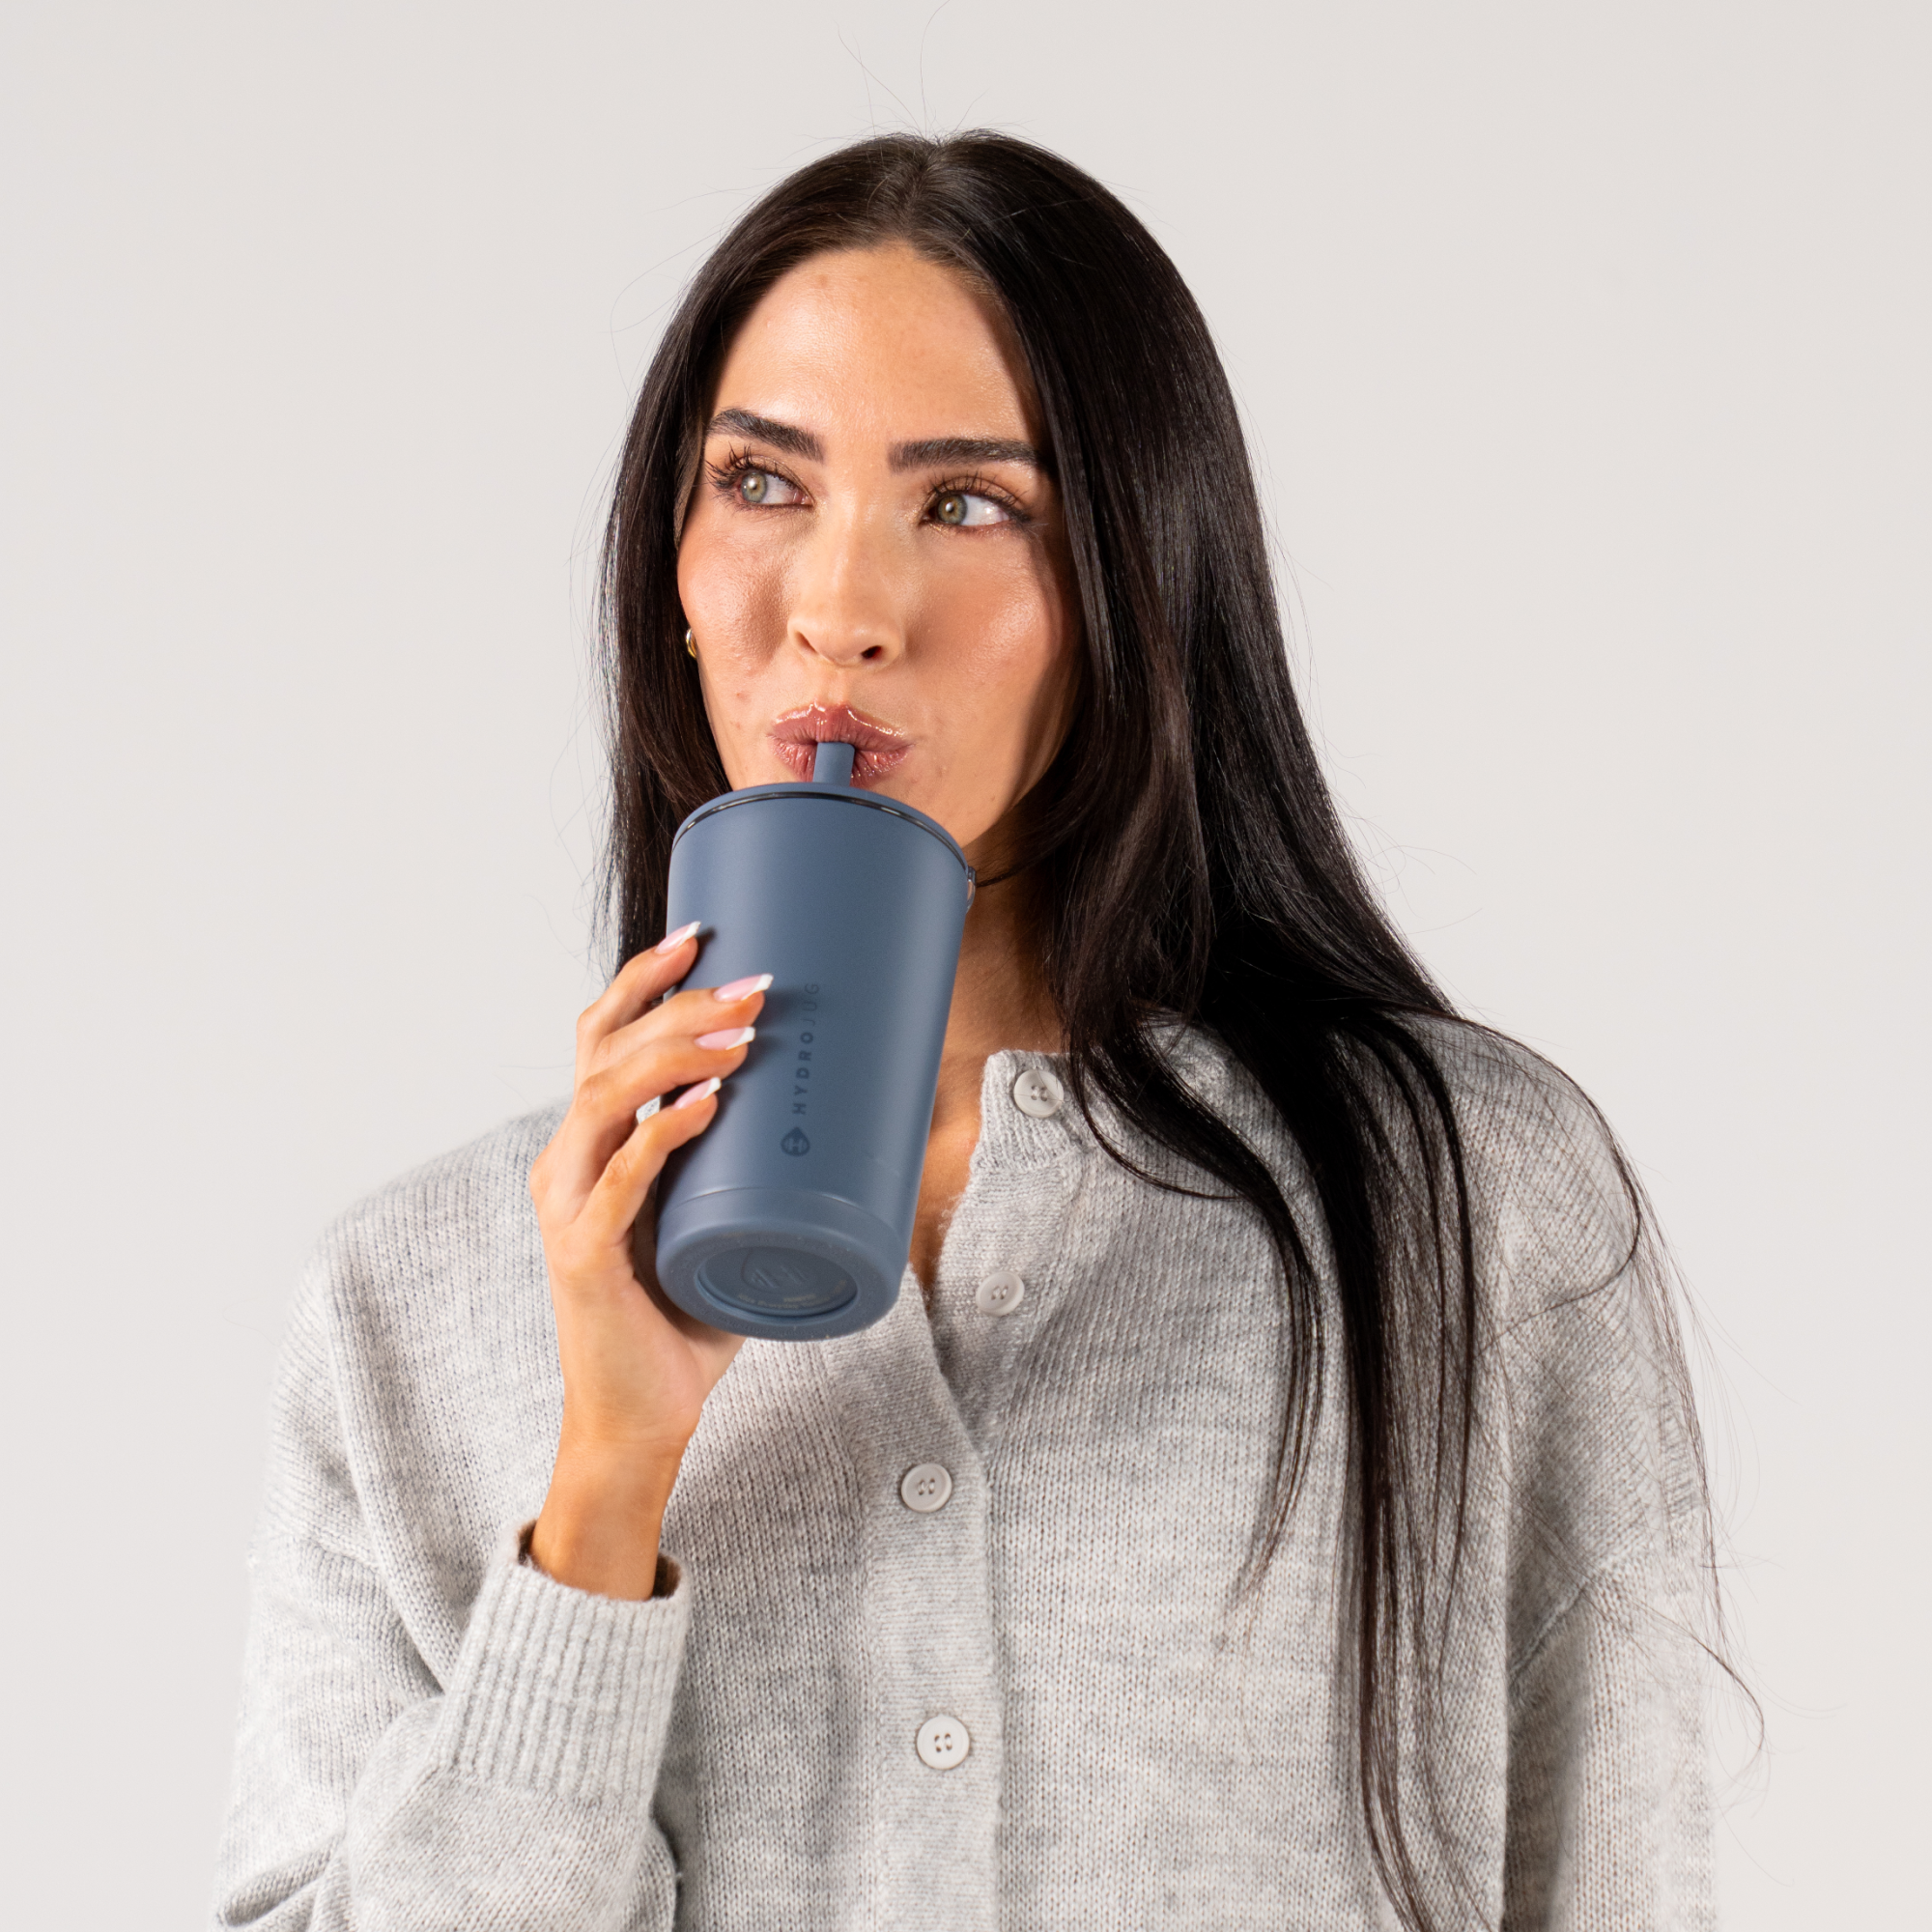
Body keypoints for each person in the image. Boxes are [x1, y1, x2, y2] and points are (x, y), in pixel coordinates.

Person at [212, 132, 1719, 1930]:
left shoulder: (1463, 1207)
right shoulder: (413, 1300)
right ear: (671, 569)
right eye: (761, 483)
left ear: (1133, 588)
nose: (841, 612)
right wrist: (604, 1484)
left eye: (971, 505)